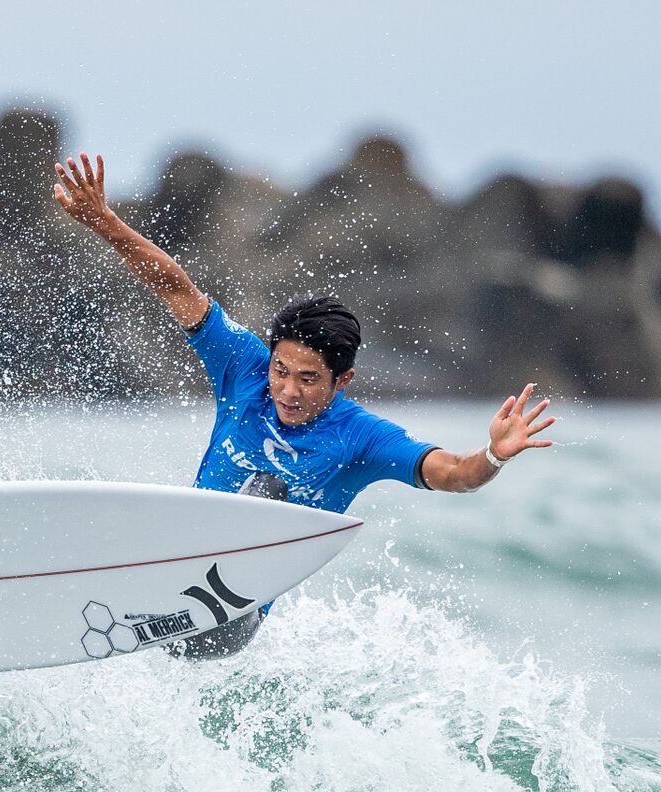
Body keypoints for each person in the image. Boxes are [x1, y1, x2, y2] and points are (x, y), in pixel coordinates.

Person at [51, 152, 556, 656]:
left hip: (225, 618)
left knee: (266, 489)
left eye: (309, 379)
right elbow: (175, 287)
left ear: (343, 380)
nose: (288, 390)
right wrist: (105, 222)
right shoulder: (243, 368)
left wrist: (492, 455)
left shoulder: (360, 438)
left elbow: (451, 473)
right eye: (281, 371)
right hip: (170, 567)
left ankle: (154, 610)